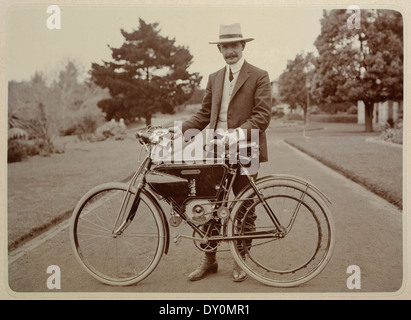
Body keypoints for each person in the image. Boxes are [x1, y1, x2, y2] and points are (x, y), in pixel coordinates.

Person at [171, 23, 272, 282]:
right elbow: (204, 115)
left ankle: (241, 260)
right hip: (217, 151)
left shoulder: (259, 75)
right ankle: (209, 260)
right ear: (219, 49)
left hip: (247, 148)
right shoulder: (215, 77)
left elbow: (262, 116)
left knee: (245, 206)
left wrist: (235, 133)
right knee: (209, 207)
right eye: (225, 46)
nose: (230, 51)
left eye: (234, 46)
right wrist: (176, 131)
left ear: (243, 46)